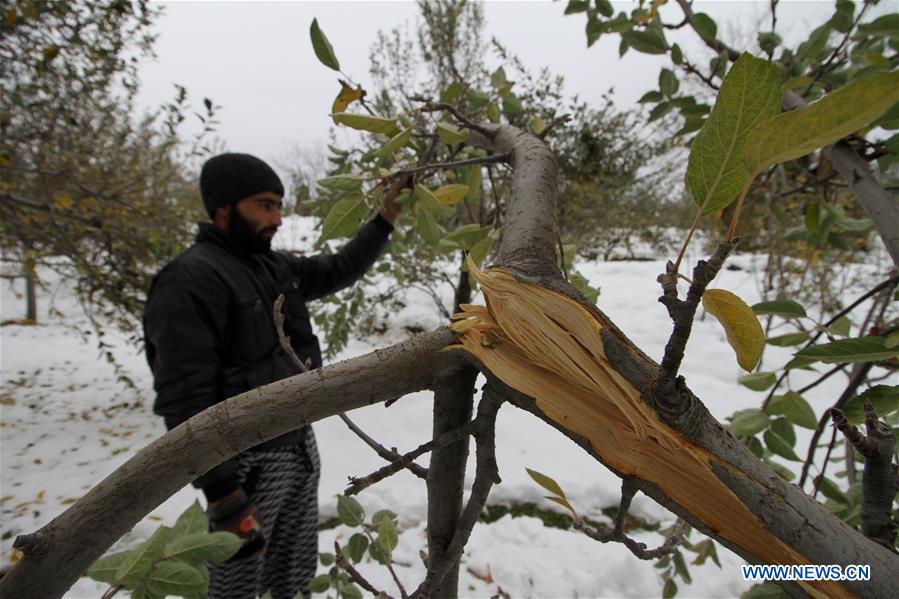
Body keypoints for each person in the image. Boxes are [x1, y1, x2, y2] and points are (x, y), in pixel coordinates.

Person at [143, 153, 403, 599]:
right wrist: (224, 492)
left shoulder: (270, 266)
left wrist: (385, 218)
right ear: (225, 206)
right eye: (265, 205)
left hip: (297, 448)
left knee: (292, 573)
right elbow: (184, 397)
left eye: (280, 205)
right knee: (236, 583)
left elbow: (340, 268)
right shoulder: (188, 280)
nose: (278, 218)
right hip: (246, 465)